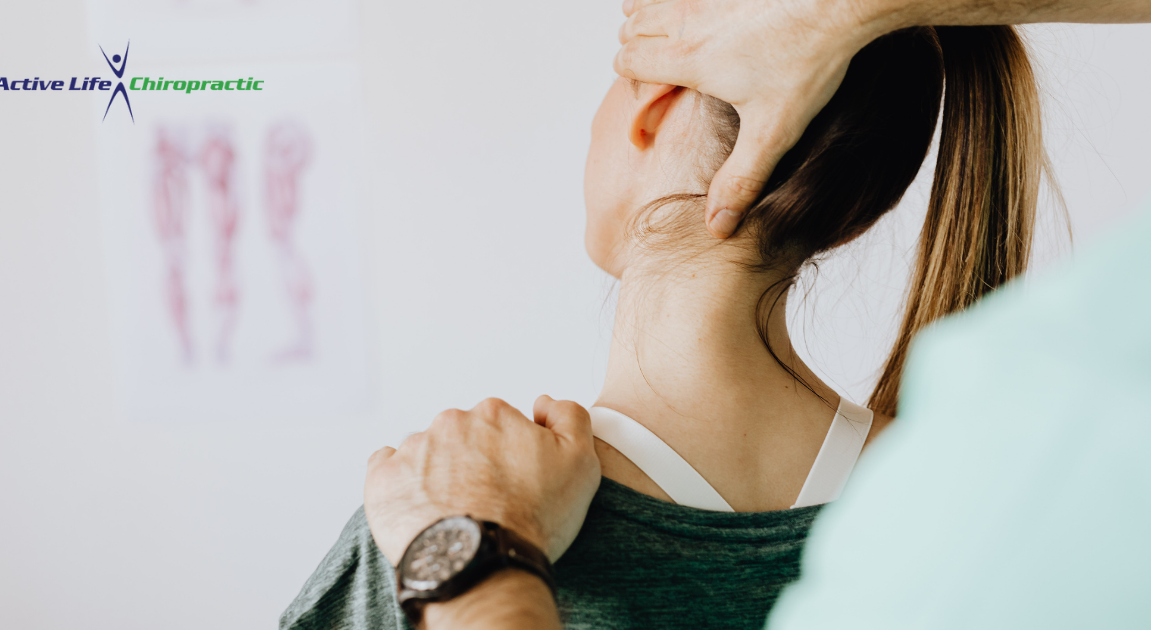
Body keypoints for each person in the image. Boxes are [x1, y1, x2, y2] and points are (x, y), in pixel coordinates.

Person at [346, 0, 1151, 629]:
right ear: (854, 204)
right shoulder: (1013, 501)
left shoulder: (437, 526)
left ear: (652, 109)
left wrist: (463, 553)